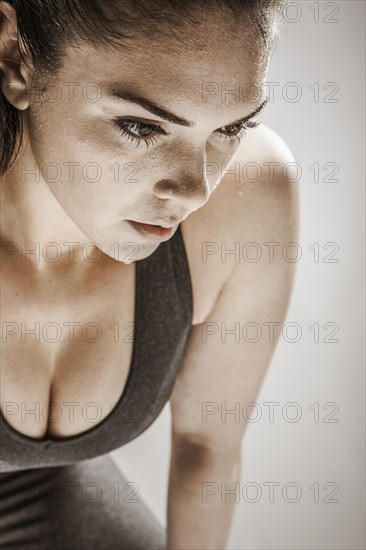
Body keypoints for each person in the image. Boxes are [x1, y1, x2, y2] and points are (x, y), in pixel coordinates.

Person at [0, 0, 299, 548]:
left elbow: (206, 444)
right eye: (141, 126)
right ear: (15, 58)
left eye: (233, 127)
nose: (195, 191)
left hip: (53, 499)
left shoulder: (247, 197)